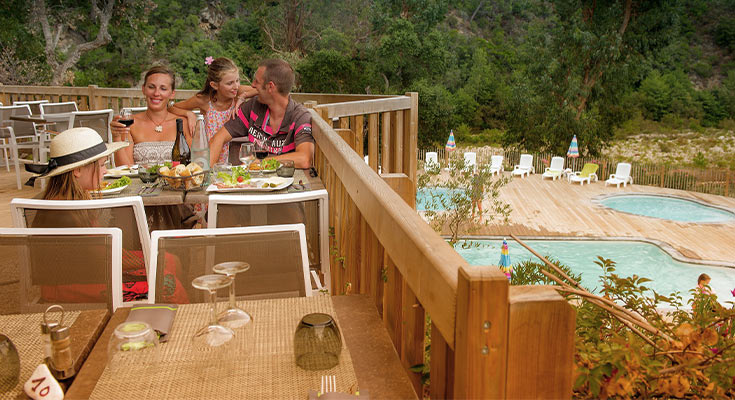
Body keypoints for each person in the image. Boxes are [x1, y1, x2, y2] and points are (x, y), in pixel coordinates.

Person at [27, 127, 188, 304]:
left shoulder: (67, 199)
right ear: (77, 170)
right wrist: (153, 256)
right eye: (102, 165)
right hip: (72, 286)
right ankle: (166, 319)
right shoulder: (63, 211)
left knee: (169, 260)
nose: (105, 171)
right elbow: (106, 258)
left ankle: (155, 314)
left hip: (86, 274)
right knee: (169, 281)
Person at [208, 58, 314, 169]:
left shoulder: (300, 116)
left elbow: (304, 159)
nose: (253, 85)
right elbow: (219, 138)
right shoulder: (253, 107)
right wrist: (205, 176)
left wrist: (260, 163)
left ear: (270, 87)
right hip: (254, 181)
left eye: (257, 82)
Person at [169, 57, 257, 165]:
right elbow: (172, 108)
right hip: (209, 156)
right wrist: (188, 113)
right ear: (214, 85)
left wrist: (244, 96)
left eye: (237, 80)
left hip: (234, 158)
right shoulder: (204, 100)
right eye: (230, 83)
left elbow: (262, 90)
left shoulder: (238, 92)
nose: (236, 86)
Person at [110, 65, 194, 166]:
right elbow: (124, 169)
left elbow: (194, 165)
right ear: (143, 89)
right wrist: (117, 138)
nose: (156, 93)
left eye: (163, 88)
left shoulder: (183, 123)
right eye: (151, 87)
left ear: (172, 93)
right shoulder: (130, 123)